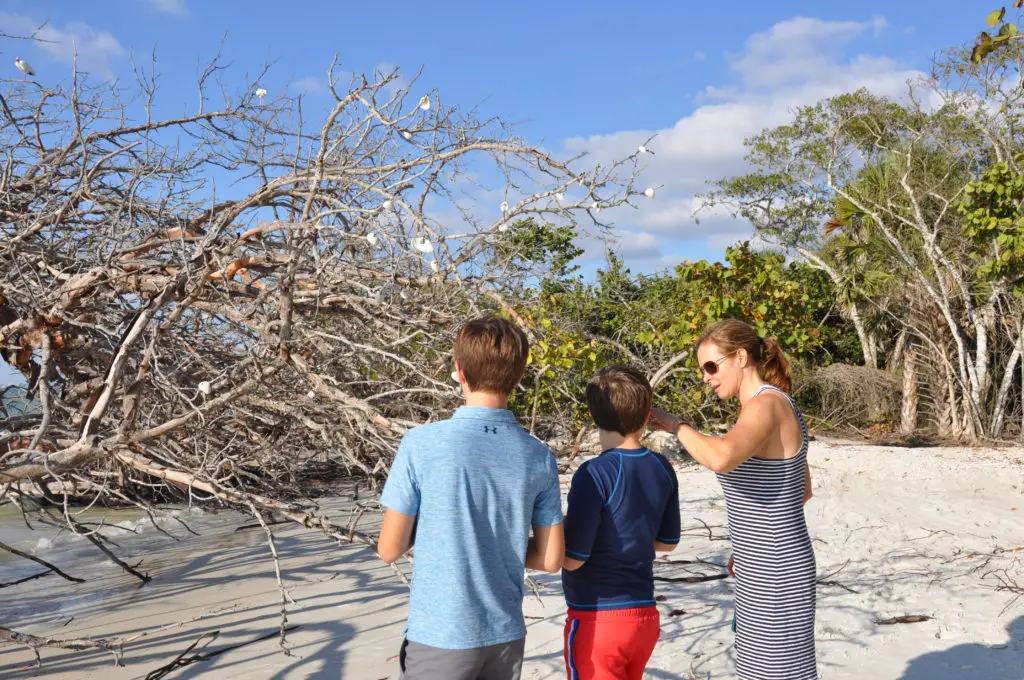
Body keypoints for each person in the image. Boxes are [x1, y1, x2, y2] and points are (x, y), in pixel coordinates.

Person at [377, 315, 565, 680]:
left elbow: (389, 548)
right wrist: (497, 543)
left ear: (459, 371)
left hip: (441, 635)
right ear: (520, 376)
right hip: (505, 634)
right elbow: (551, 558)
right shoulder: (538, 456)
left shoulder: (420, 444)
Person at [649, 319, 817, 680]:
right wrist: (750, 548)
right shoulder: (773, 405)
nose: (706, 377)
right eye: (702, 370)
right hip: (768, 564)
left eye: (711, 366)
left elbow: (722, 456)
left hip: (775, 572)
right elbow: (801, 491)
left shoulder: (766, 405)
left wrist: (675, 425)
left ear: (740, 356)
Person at [561, 365, 681, 680]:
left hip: (598, 620)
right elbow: (667, 542)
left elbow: (574, 558)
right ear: (646, 415)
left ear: (593, 413)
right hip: (644, 617)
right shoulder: (662, 466)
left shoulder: (594, 473)